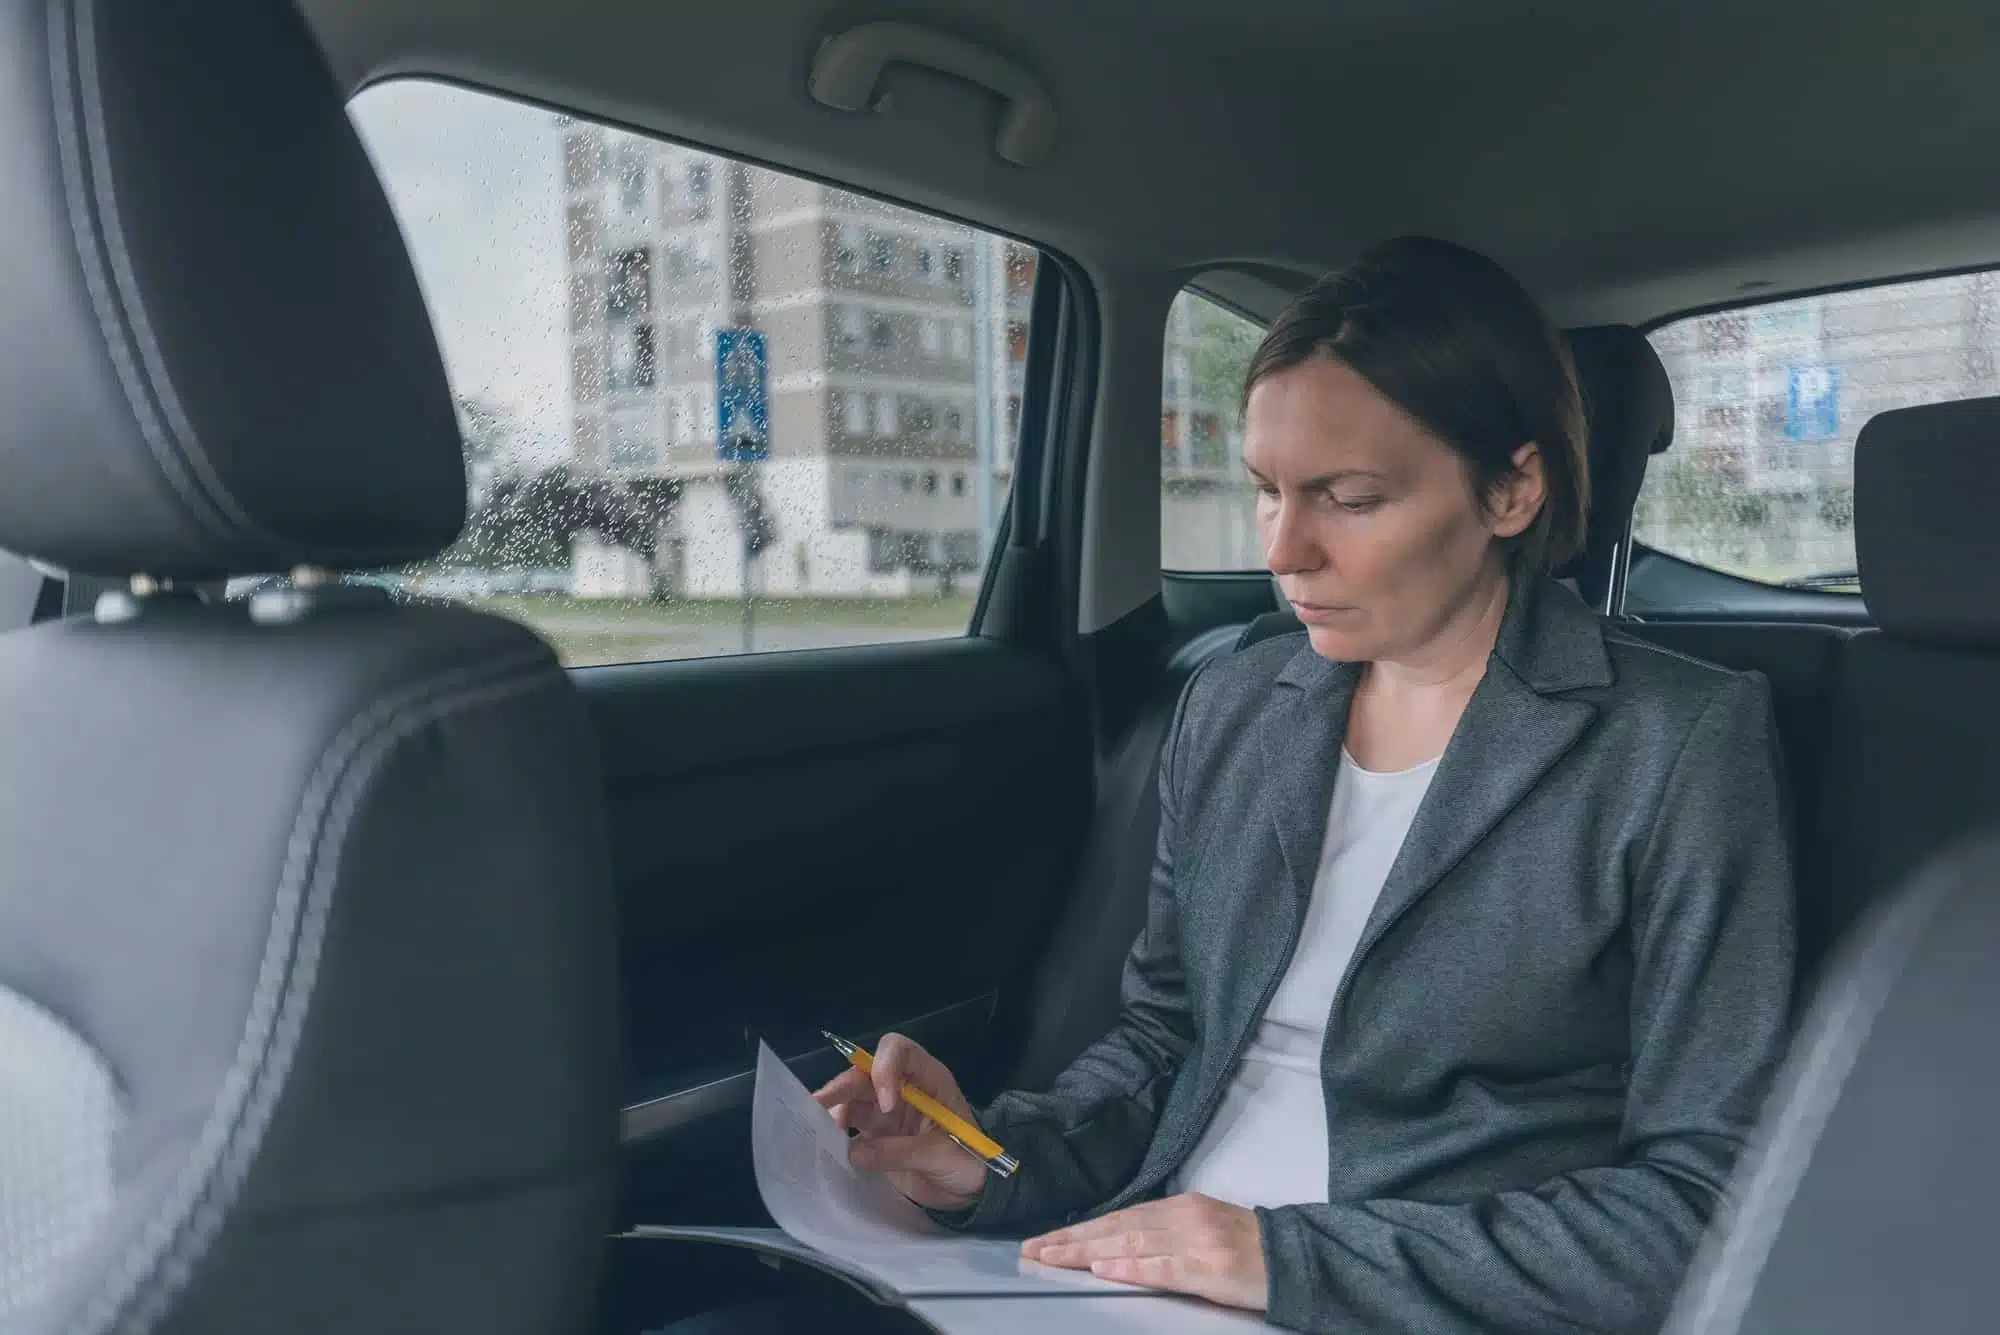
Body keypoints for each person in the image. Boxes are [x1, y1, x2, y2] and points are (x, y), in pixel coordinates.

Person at [667, 236, 1797, 1334]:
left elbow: (1704, 1205)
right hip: (1116, 1275)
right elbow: (1164, 1042)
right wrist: (985, 1158)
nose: (1283, 549)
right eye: (1265, 489)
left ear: (1510, 491)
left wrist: (1283, 1257)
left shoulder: (1674, 742)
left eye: (1348, 498)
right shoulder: (1237, 703)